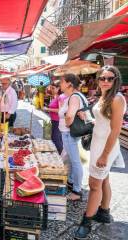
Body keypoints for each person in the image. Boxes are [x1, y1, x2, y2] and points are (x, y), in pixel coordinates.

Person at [75, 66, 126, 239]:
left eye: (109, 78)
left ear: (116, 79)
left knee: (94, 185)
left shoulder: (118, 99)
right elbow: (102, 122)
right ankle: (104, 212)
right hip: (98, 144)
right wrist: (87, 118)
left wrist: (104, 155)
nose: (105, 81)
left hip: (106, 147)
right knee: (104, 180)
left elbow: (115, 130)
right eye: (102, 78)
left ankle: (86, 222)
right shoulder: (105, 96)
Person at [59, 73, 88, 201]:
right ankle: (71, 182)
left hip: (69, 134)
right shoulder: (76, 96)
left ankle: (77, 190)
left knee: (75, 162)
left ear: (69, 84)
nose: (60, 84)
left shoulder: (74, 97)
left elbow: (70, 117)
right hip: (70, 134)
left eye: (62, 82)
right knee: (71, 160)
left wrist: (67, 121)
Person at [43, 81, 64, 154]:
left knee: (56, 139)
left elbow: (60, 110)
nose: (51, 89)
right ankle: (59, 155)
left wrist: (48, 109)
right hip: (54, 120)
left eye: (53, 88)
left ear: (58, 88)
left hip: (57, 121)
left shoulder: (60, 97)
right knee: (56, 138)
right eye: (51, 88)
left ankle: (60, 155)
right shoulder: (55, 96)